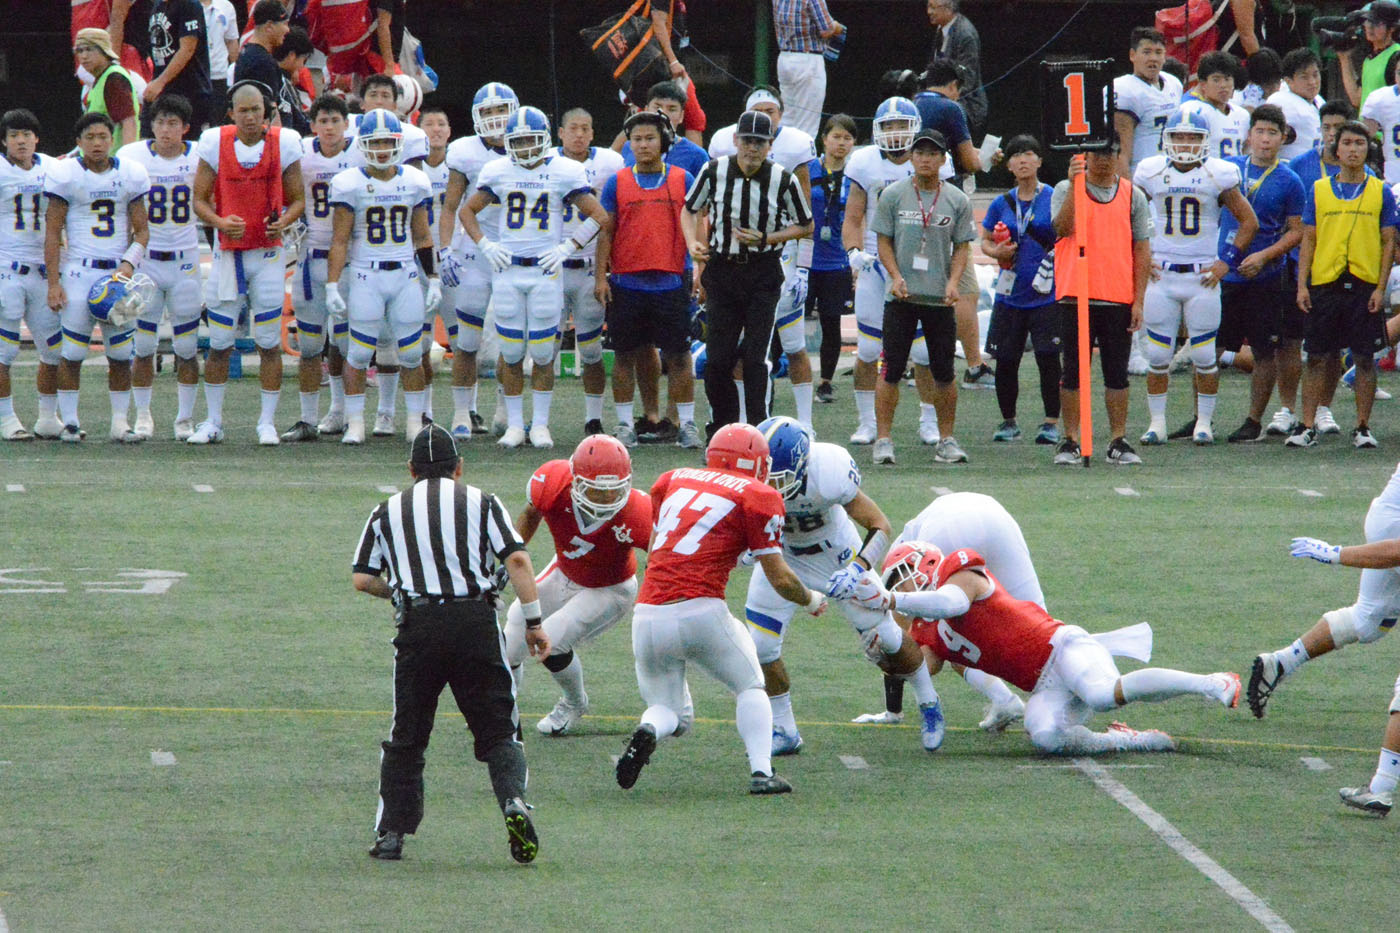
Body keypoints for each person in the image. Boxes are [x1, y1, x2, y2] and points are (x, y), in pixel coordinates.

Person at [836, 542, 1241, 755]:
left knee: (1102, 695)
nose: (897, 587)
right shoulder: (926, 630)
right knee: (1045, 737)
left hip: (1063, 649)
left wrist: (892, 599)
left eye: (899, 577)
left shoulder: (960, 574)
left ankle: (1211, 682)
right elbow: (921, 669)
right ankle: (1126, 740)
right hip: (1042, 685)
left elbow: (952, 603)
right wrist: (885, 652)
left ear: (921, 565)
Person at [352, 423, 547, 865]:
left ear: (411, 470)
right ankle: (513, 801)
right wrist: (534, 622)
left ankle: (391, 833)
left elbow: (363, 578)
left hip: (419, 625)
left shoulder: (387, 511)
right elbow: (517, 559)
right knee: (499, 728)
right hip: (475, 621)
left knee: (408, 733)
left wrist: (398, 593)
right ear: (459, 467)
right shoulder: (483, 502)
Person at [615, 422, 827, 795]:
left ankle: (649, 729)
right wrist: (810, 599)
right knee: (750, 685)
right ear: (756, 463)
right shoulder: (757, 493)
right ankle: (762, 772)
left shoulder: (672, 479)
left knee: (669, 712)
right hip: (701, 609)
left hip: (647, 614)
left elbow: (658, 546)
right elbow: (780, 578)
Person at [747, 417, 947, 756]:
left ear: (802, 464)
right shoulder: (753, 474)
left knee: (887, 635)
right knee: (762, 647)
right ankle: (784, 728)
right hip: (781, 557)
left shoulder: (829, 471)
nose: (770, 486)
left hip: (835, 554)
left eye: (779, 478)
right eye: (764, 474)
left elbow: (880, 524)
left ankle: (929, 701)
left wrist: (857, 569)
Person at [459, 106, 607, 450]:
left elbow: (599, 216)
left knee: (542, 353)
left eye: (531, 140)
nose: (526, 147)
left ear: (544, 140)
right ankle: (514, 425)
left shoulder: (563, 171)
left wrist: (568, 247)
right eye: (520, 140)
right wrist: (485, 244)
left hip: (545, 271)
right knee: (511, 352)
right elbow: (467, 210)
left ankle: (539, 424)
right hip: (508, 271)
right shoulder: (498, 170)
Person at [852, 491, 1039, 730]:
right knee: (1037, 622)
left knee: (949, 640)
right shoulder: (905, 556)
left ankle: (1006, 700)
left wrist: (892, 703)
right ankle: (1056, 692)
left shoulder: (902, 565)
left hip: (946, 531)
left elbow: (917, 655)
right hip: (995, 516)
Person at [503, 435, 651, 735]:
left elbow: (661, 558)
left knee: (552, 641)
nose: (606, 499)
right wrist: (511, 556)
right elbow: (531, 514)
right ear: (576, 480)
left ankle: (574, 702)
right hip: (565, 570)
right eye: (596, 490)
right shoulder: (552, 483)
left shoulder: (639, 510)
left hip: (610, 588)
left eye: (613, 490)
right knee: (512, 637)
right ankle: (501, 707)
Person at [1249, 461, 1400, 745]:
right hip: (1393, 530)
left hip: (1386, 519)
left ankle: (1280, 662)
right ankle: (1386, 769)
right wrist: (1336, 554)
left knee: (1367, 621)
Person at [189, 81, 305, 445]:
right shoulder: (215, 143)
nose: (251, 117)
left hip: (267, 255)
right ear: (231, 113)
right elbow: (199, 200)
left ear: (267, 110)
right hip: (228, 254)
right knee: (220, 341)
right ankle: (213, 421)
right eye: (244, 110)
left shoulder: (284, 143)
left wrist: (283, 222)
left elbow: (298, 200)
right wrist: (221, 222)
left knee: (268, 341)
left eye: (257, 109)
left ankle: (267, 422)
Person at [683, 110, 813, 431]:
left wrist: (769, 238)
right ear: (735, 140)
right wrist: (691, 243)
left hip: (762, 271)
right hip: (722, 270)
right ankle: (722, 429)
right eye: (747, 140)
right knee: (717, 360)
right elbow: (689, 209)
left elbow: (806, 225)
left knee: (756, 358)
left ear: (770, 145)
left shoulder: (783, 179)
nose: (752, 148)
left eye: (759, 142)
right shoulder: (713, 171)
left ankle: (759, 429)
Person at [1135, 109, 1258, 446]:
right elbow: (1130, 216)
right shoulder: (1151, 171)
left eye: (1193, 137)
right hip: (1162, 275)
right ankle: (1157, 423)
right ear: (1167, 138)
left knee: (1204, 356)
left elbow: (1249, 221)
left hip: (1202, 276)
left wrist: (1226, 262)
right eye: (1179, 136)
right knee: (1158, 357)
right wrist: (1142, 257)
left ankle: (1203, 422)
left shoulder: (1218, 174)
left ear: (1205, 141)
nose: (1185, 143)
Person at [326, 108, 439, 445]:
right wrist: (332, 284)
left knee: (412, 354)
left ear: (399, 143)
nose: (381, 149)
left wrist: (433, 278)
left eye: (386, 142)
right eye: (374, 143)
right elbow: (340, 240)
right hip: (366, 275)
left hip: (404, 274)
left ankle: (414, 422)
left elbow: (423, 237)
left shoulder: (414, 180)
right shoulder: (349, 183)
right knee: (359, 354)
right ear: (362, 144)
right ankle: (355, 422)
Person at [595, 110, 701, 449]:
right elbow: (606, 231)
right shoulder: (617, 182)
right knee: (625, 355)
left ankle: (687, 424)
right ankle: (625, 424)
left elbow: (699, 224)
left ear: (664, 141)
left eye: (650, 138)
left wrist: (700, 269)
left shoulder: (684, 179)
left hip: (672, 281)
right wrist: (600, 277)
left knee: (679, 355)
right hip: (626, 283)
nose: (643, 145)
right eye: (637, 139)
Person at [43, 112, 150, 444]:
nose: (97, 143)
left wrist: (128, 265)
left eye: (103, 136)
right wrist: (54, 282)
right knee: (73, 353)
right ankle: (70, 422)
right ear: (78, 142)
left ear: (112, 140)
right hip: (79, 271)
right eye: (89, 137)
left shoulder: (130, 174)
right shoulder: (66, 174)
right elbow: (52, 232)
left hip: (117, 274)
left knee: (121, 353)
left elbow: (142, 231)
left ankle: (120, 423)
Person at [1291, 120, 1399, 449]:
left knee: (1364, 357)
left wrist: (1380, 287)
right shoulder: (1319, 189)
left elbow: (1388, 243)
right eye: (1347, 143)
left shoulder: (1380, 190)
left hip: (1364, 283)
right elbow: (1308, 239)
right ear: (1336, 150)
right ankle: (1306, 425)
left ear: (1368, 150)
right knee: (1317, 356)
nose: (1353, 150)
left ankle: (1362, 426)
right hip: (1326, 281)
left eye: (1360, 143)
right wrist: (1303, 285)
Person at [870, 128, 974, 466]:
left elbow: (962, 247)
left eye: (932, 154)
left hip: (939, 300)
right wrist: (895, 276)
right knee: (891, 369)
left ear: (943, 160)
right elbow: (883, 241)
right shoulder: (893, 195)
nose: (925, 159)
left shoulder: (957, 199)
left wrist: (953, 282)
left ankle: (946, 439)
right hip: (901, 298)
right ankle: (883, 440)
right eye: (920, 153)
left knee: (944, 372)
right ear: (911, 158)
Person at [843, 98, 942, 448]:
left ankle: (929, 420)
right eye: (889, 126)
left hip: (919, 266)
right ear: (877, 129)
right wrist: (854, 252)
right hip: (875, 264)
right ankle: (867, 421)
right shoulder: (864, 162)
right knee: (869, 350)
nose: (896, 132)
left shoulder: (930, 161)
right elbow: (853, 216)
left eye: (901, 125)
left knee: (924, 353)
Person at [1050, 139, 1152, 465]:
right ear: (1085, 156)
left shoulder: (1132, 195)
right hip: (1075, 294)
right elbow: (1062, 228)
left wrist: (1138, 300)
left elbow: (1142, 249)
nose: (1103, 160)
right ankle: (1070, 439)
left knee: (1117, 373)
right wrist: (1075, 185)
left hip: (1117, 295)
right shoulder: (1065, 189)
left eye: (1110, 153)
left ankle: (1117, 439)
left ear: (1119, 156)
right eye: (1097, 153)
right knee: (1073, 371)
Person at [117, 94, 203, 441]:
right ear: (150, 125)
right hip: (146, 262)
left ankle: (185, 419)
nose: (166, 130)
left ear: (185, 127)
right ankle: (142, 415)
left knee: (187, 347)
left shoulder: (200, 155)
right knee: (143, 346)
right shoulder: (132, 157)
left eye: (173, 123)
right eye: (160, 122)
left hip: (185, 261)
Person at [1220, 105, 1306, 443]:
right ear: (1249, 135)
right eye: (1260, 132)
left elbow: (1297, 231)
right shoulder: (1227, 169)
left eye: (1273, 133)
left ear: (1283, 138)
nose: (1266, 139)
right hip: (1224, 272)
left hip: (1266, 276)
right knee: (1209, 348)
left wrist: (1265, 255)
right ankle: (1202, 418)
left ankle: (1253, 420)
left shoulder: (1290, 180)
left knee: (1264, 349)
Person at [1280, 101, 1364, 439]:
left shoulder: (1368, 178)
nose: (1331, 134)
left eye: (1338, 129)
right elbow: (1296, 224)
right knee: (1290, 340)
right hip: (1301, 264)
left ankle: (1324, 409)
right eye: (1326, 127)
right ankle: (1287, 409)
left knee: (1331, 347)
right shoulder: (1300, 165)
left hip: (1341, 271)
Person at [439, 81, 517, 439]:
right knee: (466, 341)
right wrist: (446, 249)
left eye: (502, 110)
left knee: (510, 341)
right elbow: (450, 207)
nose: (496, 118)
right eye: (489, 112)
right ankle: (461, 412)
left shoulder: (528, 144)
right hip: (474, 251)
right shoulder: (465, 152)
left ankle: (504, 409)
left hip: (513, 252)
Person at [910, 61, 991, 388]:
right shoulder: (949, 108)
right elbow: (969, 161)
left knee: (911, 287)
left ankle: (910, 364)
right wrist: (987, 159)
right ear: (953, 85)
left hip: (909, 202)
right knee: (965, 288)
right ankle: (974, 366)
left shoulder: (908, 104)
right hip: (944, 202)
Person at [283, 95, 356, 441]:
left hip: (350, 260)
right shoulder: (301, 155)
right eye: (323, 121)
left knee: (343, 343)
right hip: (312, 257)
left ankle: (341, 411)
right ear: (312, 125)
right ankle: (307, 419)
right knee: (311, 345)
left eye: (335, 120)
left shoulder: (360, 154)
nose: (329, 128)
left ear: (347, 124)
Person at [981, 134, 1061, 445]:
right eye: (1016, 155)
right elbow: (985, 240)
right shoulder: (1001, 203)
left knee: (1048, 358)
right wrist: (995, 252)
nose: (1023, 160)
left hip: (1047, 293)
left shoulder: (1054, 197)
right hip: (1009, 294)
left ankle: (1051, 422)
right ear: (1009, 165)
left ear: (1039, 161)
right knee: (1006, 360)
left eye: (1029, 154)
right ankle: (1008, 421)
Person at [551, 108, 625, 439]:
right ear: (560, 132)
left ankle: (593, 418)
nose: (579, 134)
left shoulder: (610, 163)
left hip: (589, 267)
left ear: (593, 133)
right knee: (543, 350)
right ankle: (537, 419)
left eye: (585, 128)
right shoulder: (545, 160)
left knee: (592, 349)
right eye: (573, 128)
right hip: (552, 267)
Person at [0, 110, 60, 441]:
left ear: (37, 138)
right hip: (6, 270)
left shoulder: (53, 168)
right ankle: (6, 418)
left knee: (54, 349)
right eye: (13, 135)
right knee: (4, 351)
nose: (20, 141)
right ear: (4, 141)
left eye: (26, 134)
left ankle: (48, 418)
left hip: (42, 272)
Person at [805, 114, 855, 405]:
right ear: (823, 139)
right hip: (806, 259)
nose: (841, 143)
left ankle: (825, 382)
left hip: (837, 260)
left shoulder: (855, 175)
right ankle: (775, 372)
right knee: (788, 320)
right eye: (836, 136)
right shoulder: (807, 169)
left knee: (831, 323)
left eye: (847, 138)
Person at [1113, 27, 1185, 178]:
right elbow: (1121, 154)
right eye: (1146, 52)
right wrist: (1128, 189)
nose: (1153, 58)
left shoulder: (1173, 83)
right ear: (1132, 55)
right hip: (1141, 177)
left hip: (1172, 174)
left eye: (1158, 52)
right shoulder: (1125, 90)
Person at [771, 0, 845, 138]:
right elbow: (827, 29)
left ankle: (783, 150)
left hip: (785, 58)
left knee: (787, 118)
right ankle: (804, 152)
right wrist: (839, 27)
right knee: (807, 124)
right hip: (808, 59)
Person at [143, 0, 213, 136]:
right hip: (162, 90)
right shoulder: (158, 5)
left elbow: (187, 49)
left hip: (190, 91)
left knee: (189, 143)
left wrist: (160, 82)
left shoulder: (189, 5)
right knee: (149, 139)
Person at [620, 80, 709, 178]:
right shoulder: (629, 146)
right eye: (657, 107)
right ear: (646, 110)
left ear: (681, 116)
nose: (663, 113)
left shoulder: (697, 155)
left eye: (672, 109)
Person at [925, 0, 985, 142]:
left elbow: (967, 81)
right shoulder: (941, 29)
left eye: (933, 7)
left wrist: (939, 100)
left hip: (967, 105)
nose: (929, 12)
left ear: (948, 8)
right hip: (942, 100)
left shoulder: (966, 35)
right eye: (928, 6)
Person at [73, 27, 140, 149]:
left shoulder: (114, 79)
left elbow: (129, 122)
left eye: (89, 49)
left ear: (104, 51)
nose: (84, 56)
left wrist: (127, 157)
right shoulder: (100, 79)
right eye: (80, 51)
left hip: (112, 158)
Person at [1179, 51, 1251, 160]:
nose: (1223, 85)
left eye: (1227, 79)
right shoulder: (1194, 111)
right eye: (1216, 80)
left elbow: (1245, 150)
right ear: (1203, 84)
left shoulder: (1242, 115)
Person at [231, 1, 290, 114]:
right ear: (269, 26)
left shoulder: (250, 54)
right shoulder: (261, 62)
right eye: (285, 24)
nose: (288, 30)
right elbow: (269, 112)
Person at [1341, 0, 1400, 111]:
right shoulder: (1370, 58)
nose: (1369, 26)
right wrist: (1344, 58)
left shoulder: (1396, 57)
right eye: (1368, 21)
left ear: (1392, 28)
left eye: (1377, 23)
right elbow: (1357, 99)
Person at [1270, 48, 1323, 162]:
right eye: (1304, 77)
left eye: (1315, 75)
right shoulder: (1280, 101)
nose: (1312, 82)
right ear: (1288, 81)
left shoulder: (1320, 101)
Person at [271, 26, 313, 136]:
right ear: (292, 56)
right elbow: (299, 125)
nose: (302, 66)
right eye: (303, 60)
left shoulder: (273, 75)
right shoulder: (282, 82)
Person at [201, 0, 240, 108]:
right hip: (195, 76)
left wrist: (234, 72)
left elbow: (231, 41)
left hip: (220, 75)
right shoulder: (185, 5)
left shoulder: (226, 6)